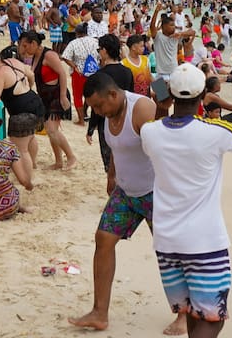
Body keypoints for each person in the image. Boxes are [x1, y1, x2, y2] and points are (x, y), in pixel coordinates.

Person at [139, 63, 232, 335]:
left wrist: (161, 101)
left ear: (171, 95)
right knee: (213, 316)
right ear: (203, 98)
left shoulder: (149, 134)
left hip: (166, 240)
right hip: (204, 242)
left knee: (190, 310)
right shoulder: (215, 132)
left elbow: (160, 118)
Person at [69, 73, 186, 335]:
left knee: (168, 253)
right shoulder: (109, 114)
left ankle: (184, 314)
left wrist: (162, 102)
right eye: (93, 107)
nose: (97, 111)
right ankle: (100, 312)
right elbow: (116, 149)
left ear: (114, 94)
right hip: (125, 191)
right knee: (103, 239)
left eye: (99, 106)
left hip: (156, 192)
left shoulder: (141, 107)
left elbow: (166, 140)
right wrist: (111, 176)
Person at [0, 45, 43, 179]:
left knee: (21, 149)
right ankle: (33, 163)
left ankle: (27, 178)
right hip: (35, 103)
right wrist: (29, 86)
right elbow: (31, 74)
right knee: (30, 137)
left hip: (21, 111)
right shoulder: (13, 62)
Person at [19, 31, 77, 171]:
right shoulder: (33, 56)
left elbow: (62, 74)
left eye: (26, 46)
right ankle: (58, 162)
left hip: (57, 94)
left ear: (34, 44)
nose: (24, 49)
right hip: (44, 97)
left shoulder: (49, 55)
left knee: (52, 130)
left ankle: (71, 157)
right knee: (51, 130)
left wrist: (63, 96)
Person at [85, 34, 135, 170]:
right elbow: (131, 97)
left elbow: (97, 105)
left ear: (105, 51)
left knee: (110, 162)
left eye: (99, 49)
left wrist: (90, 128)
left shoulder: (100, 76)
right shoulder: (127, 72)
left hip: (105, 121)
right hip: (125, 119)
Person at [63, 22, 101, 125]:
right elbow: (101, 56)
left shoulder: (74, 43)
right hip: (94, 72)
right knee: (92, 95)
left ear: (77, 33)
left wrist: (74, 66)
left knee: (78, 96)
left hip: (79, 73)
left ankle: (81, 120)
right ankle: (92, 118)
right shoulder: (96, 41)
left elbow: (65, 57)